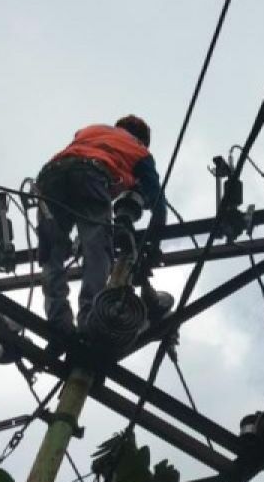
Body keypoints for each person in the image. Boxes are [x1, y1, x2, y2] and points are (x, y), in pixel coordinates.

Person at [36, 115, 166, 335]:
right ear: (142, 140)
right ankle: (91, 318)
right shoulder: (140, 151)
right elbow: (158, 204)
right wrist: (153, 246)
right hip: (90, 176)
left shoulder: (89, 130)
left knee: (52, 253)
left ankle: (59, 323)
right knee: (97, 249)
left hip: (50, 176)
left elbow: (77, 153)